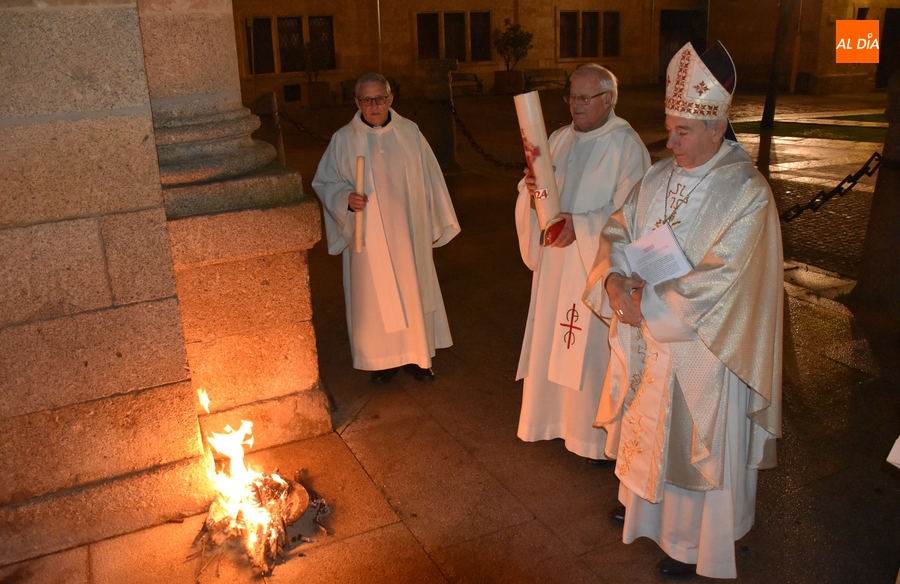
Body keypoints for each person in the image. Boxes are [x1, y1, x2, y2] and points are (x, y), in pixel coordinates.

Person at [583, 42, 783, 579]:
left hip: (706, 350)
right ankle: (647, 515)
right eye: (670, 129)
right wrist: (615, 280)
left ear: (718, 128)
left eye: (682, 132)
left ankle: (693, 545)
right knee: (646, 425)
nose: (669, 143)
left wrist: (645, 301)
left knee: (692, 441)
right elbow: (620, 230)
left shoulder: (747, 193)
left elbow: (727, 278)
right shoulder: (657, 176)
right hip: (651, 329)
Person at [515, 64, 650, 462]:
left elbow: (632, 213)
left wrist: (583, 225)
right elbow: (536, 200)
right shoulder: (556, 139)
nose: (575, 104)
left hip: (594, 271)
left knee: (587, 351)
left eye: (584, 97)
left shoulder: (627, 147)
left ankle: (592, 440)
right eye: (572, 96)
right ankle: (551, 422)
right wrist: (530, 193)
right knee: (553, 341)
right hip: (556, 269)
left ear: (608, 99)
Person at [312, 73, 460, 384]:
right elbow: (325, 182)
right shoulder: (343, 139)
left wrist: (435, 218)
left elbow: (431, 178)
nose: (374, 105)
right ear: (357, 103)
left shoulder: (410, 133)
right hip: (369, 240)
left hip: (408, 235)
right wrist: (345, 199)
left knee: (412, 291)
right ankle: (382, 362)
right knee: (374, 302)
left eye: (380, 98)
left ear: (390, 99)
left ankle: (418, 358)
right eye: (367, 99)